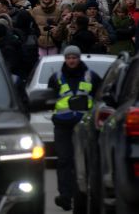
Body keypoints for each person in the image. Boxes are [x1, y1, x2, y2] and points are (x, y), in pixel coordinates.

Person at [48, 45, 102, 211]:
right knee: (64, 160)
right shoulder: (56, 77)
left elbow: (99, 99)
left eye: (74, 57)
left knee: (85, 162)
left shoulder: (91, 76)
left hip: (84, 126)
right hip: (62, 126)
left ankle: (84, 194)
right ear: (65, 59)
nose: (71, 60)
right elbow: (49, 99)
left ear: (79, 59)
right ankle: (65, 196)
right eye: (69, 57)